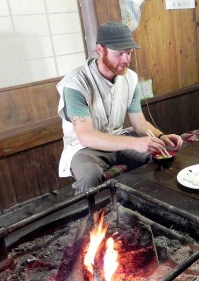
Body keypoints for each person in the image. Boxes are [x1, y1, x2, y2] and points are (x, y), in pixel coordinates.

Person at [56, 21, 183, 193]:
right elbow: (86, 136)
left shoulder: (130, 78)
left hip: (119, 139)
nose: (126, 60)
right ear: (100, 50)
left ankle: (148, 202)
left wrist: (162, 136)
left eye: (129, 53)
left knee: (162, 155)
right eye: (119, 54)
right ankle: (95, 218)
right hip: (86, 148)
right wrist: (134, 143)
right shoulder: (76, 84)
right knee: (89, 176)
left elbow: (139, 124)